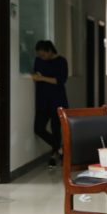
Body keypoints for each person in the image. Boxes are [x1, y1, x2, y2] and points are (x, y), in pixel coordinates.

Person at [31, 40, 69, 168]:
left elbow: (60, 80)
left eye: (43, 55)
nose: (42, 57)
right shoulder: (39, 61)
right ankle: (60, 149)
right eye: (39, 55)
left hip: (57, 99)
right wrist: (36, 76)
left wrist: (42, 78)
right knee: (39, 128)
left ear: (50, 51)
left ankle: (53, 155)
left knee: (55, 128)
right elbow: (37, 73)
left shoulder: (61, 61)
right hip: (42, 99)